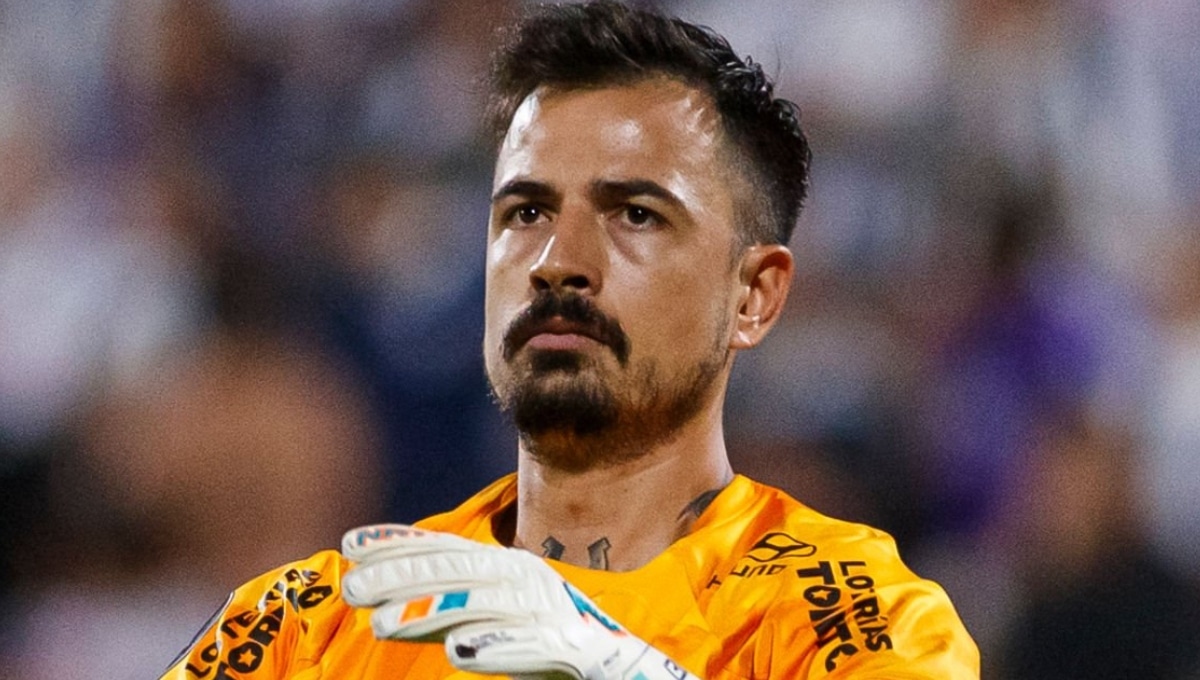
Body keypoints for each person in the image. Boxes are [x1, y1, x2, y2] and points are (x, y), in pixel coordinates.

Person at [161, 2, 979, 678]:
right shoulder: (316, 627)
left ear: (754, 296)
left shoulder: (845, 618)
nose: (558, 262)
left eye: (635, 215)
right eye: (526, 213)